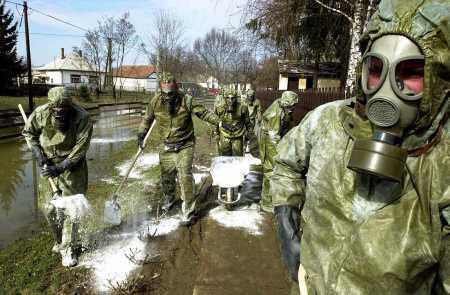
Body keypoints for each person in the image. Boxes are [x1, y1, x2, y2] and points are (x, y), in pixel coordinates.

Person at [271, 0, 450, 293]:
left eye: (411, 72)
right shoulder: (327, 122)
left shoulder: (442, 165)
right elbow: (286, 164)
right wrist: (286, 221)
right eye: (376, 69)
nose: (387, 88)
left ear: (439, 80)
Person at [137, 72, 224, 225]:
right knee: (167, 177)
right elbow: (147, 119)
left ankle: (188, 211)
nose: (168, 96)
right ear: (160, 90)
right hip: (166, 145)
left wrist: (219, 122)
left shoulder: (187, 100)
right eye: (165, 93)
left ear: (176, 89)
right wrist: (141, 134)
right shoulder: (155, 102)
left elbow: (203, 113)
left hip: (185, 144)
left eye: (171, 93)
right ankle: (169, 199)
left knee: (185, 176)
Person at [23, 86, 93, 267]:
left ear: (70, 106)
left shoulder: (82, 117)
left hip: (72, 165)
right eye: (57, 111)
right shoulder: (40, 114)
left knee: (71, 207)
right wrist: (38, 154)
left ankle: (69, 248)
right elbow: (29, 133)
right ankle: (59, 241)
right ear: (51, 107)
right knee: (50, 209)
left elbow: (81, 148)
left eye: (65, 111)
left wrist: (62, 167)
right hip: (48, 163)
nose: (61, 115)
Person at [258, 91, 298, 213]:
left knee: (273, 169)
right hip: (269, 140)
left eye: (293, 106)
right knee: (270, 171)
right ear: (286, 104)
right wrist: (282, 153)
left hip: (272, 137)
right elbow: (274, 137)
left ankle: (270, 199)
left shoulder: (282, 107)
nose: (292, 109)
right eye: (291, 106)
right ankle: (267, 203)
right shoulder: (275, 114)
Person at [214, 88, 253, 156]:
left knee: (237, 158)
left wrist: (249, 133)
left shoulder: (243, 107)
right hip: (224, 135)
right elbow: (216, 121)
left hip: (237, 136)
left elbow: (247, 122)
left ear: (236, 98)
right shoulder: (220, 108)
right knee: (224, 158)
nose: (230, 101)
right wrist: (216, 133)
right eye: (228, 98)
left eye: (233, 98)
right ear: (224, 98)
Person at [242, 89, 262, 157]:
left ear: (254, 96)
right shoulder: (244, 101)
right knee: (244, 134)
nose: (250, 97)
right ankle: (244, 147)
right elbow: (242, 111)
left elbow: (259, 111)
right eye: (249, 96)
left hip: (253, 120)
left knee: (252, 134)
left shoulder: (257, 102)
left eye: (252, 96)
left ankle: (250, 147)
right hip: (245, 120)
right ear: (247, 96)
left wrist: (259, 119)